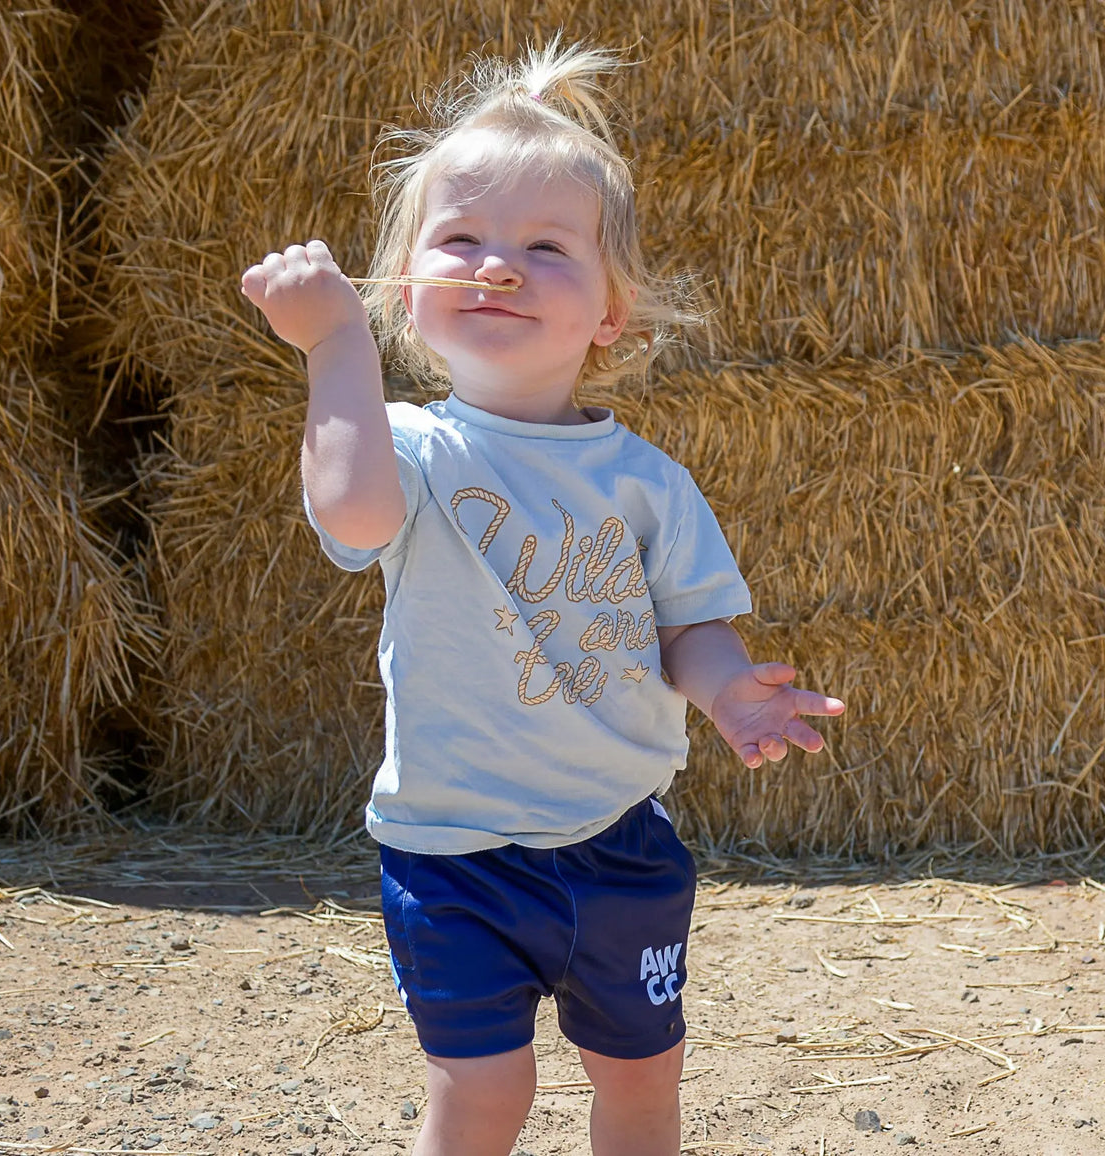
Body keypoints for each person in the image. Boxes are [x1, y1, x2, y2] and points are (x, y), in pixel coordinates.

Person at [239, 38, 845, 1156]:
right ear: (405, 291)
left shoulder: (645, 483)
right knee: (484, 1093)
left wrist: (730, 697)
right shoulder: (411, 449)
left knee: (640, 1081)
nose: (496, 267)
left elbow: (688, 629)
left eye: (543, 247)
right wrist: (332, 347)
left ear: (611, 312)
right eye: (459, 240)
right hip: (454, 853)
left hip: (621, 844)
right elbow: (352, 514)